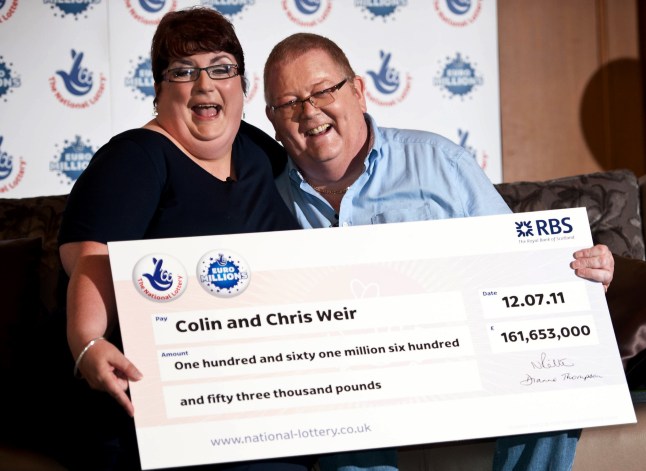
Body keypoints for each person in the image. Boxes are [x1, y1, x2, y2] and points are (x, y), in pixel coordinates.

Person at [262, 32, 615, 471]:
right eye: (288, 103)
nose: (309, 111)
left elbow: (526, 266)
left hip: (462, 363)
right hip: (351, 382)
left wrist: (581, 275)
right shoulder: (261, 198)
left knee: (557, 379)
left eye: (322, 91)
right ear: (273, 121)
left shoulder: (440, 163)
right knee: (342, 403)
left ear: (357, 91)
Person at [58, 8, 314, 471]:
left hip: (263, 405)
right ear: (158, 89)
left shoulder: (257, 151)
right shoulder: (133, 159)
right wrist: (89, 343)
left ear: (242, 84)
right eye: (183, 72)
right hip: (164, 417)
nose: (205, 84)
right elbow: (91, 260)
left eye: (221, 68)